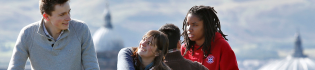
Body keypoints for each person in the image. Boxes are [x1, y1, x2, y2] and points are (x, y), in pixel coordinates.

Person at [8, 0, 99, 70]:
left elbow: (92, 67)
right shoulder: (27, 34)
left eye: (69, 12)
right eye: (62, 14)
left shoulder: (81, 30)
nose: (69, 18)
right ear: (46, 16)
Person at [181, 5, 239, 70]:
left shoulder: (222, 46)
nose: (189, 29)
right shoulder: (184, 49)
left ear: (206, 26)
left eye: (195, 25)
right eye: (188, 24)